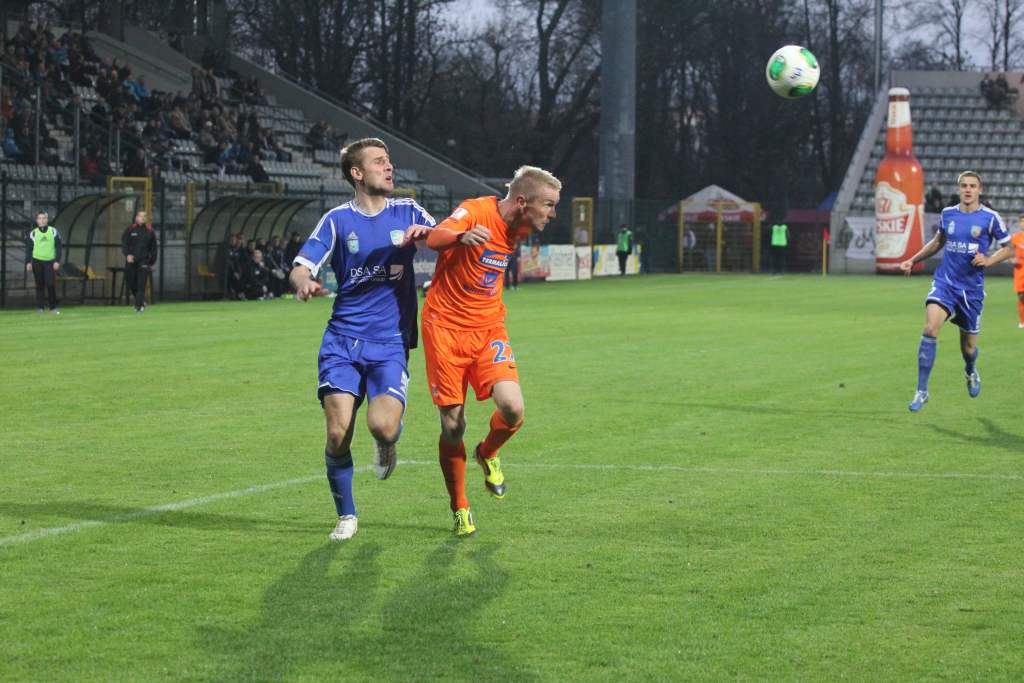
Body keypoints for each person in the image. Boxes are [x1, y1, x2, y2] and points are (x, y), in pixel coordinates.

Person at [289, 137, 435, 541]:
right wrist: (305, 283)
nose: (389, 168)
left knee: (383, 427)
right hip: (342, 340)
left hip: (390, 341)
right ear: (357, 173)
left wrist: (436, 237)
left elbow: (445, 238)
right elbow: (301, 266)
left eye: (389, 161)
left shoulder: (408, 210)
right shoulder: (337, 220)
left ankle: (389, 443)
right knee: (337, 434)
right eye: (379, 162)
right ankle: (347, 515)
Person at [417, 165, 561, 537]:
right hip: (445, 328)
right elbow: (435, 238)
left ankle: (488, 452)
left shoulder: (522, 226)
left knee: (513, 409)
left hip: (488, 329)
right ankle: (459, 507)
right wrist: (460, 236)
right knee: (453, 426)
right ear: (523, 201)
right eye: (549, 204)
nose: (553, 213)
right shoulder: (477, 210)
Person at [901, 171, 1013, 412]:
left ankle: (970, 370)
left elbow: (1009, 248)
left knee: (968, 349)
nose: (968, 190)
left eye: (972, 186)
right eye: (964, 186)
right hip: (945, 283)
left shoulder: (990, 218)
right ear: (959, 189)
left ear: (979, 190)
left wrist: (989, 260)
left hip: (971, 292)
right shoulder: (948, 214)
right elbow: (938, 241)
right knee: (930, 328)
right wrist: (913, 259)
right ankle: (922, 390)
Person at [121, 210, 157, 312]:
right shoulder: (130, 230)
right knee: (131, 282)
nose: (143, 218)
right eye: (141, 216)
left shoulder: (150, 231)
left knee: (141, 284)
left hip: (144, 261)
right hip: (131, 261)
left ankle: (138, 306)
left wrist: (151, 262)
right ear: (136, 218)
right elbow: (124, 243)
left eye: (145, 216)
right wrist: (127, 254)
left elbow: (154, 249)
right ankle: (141, 301)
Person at [25, 211, 61, 314]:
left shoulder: (53, 231)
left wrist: (57, 261)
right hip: (37, 261)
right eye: (40, 218)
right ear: (37, 220)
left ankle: (53, 308)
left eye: (44, 218)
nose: (42, 220)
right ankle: (40, 308)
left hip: (50, 262)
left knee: (50, 284)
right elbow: (28, 249)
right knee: (39, 285)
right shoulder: (33, 233)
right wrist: (28, 262)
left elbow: (58, 247)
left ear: (47, 219)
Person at [1012, 214, 1024, 328]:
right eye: (1022, 221)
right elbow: (1009, 252)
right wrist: (1012, 260)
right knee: (1021, 297)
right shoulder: (1016, 238)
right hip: (1020, 271)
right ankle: (1022, 321)